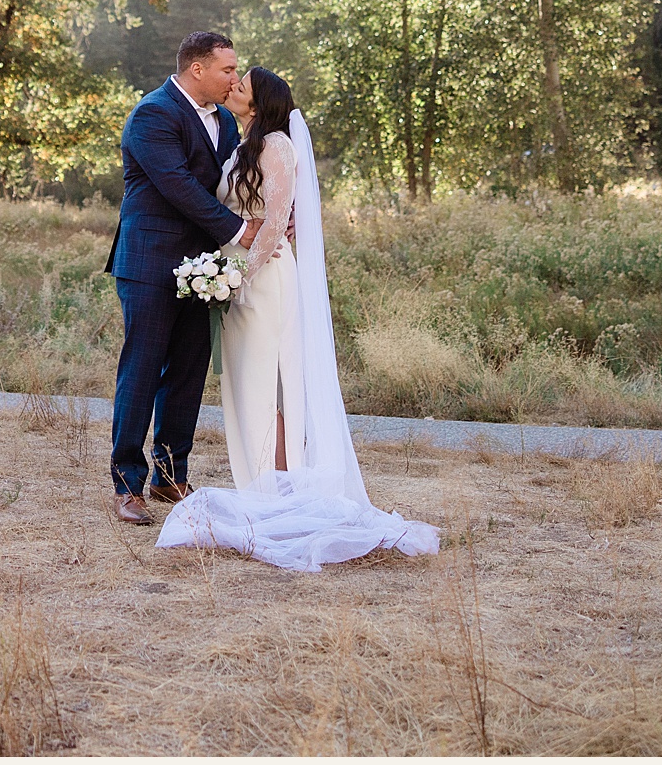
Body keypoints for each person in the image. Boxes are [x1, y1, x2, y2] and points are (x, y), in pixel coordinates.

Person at [153, 66, 441, 571]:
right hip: (237, 276)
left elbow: (276, 226)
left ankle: (278, 490)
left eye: (241, 86)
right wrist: (225, 272)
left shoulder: (278, 147)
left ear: (261, 101)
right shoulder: (242, 147)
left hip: (264, 280)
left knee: (270, 384)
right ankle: (264, 484)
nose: (232, 89)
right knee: (245, 385)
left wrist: (238, 275)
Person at [106, 30, 252, 524]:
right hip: (151, 262)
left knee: (189, 372)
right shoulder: (154, 113)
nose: (235, 77)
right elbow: (179, 186)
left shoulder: (225, 123)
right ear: (198, 70)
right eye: (227, 70)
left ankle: (170, 475)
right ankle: (127, 484)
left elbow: (233, 182)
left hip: (205, 267)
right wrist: (240, 230)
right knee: (143, 370)